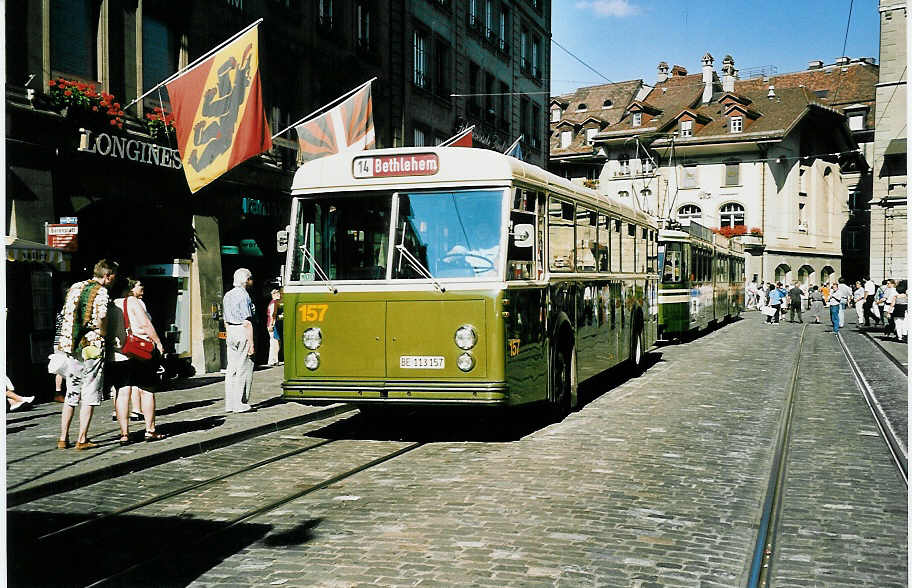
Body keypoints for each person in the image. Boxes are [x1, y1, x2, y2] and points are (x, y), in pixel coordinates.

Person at [56, 259, 117, 450]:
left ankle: (63, 438)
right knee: (89, 391)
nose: (114, 280)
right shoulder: (101, 292)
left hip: (71, 346)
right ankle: (82, 438)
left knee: (71, 392)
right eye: (113, 276)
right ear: (107, 276)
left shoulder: (75, 286)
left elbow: (66, 312)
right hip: (91, 346)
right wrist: (104, 333)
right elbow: (102, 317)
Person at [108, 279, 167, 444]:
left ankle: (124, 433)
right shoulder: (132, 302)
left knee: (122, 393)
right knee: (146, 390)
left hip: (117, 354)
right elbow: (146, 324)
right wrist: (159, 343)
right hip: (138, 352)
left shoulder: (109, 304)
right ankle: (150, 430)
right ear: (127, 288)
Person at [223, 268, 256, 413]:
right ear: (246, 280)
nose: (251, 281)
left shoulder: (227, 295)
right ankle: (239, 402)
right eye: (250, 278)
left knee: (231, 369)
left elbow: (225, 319)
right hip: (242, 330)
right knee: (243, 367)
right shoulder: (244, 296)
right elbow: (247, 322)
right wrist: (251, 343)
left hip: (230, 330)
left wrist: (229, 332)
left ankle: (229, 403)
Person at [266, 288, 282, 366]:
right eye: (276, 293)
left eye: (278, 293)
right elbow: (273, 315)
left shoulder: (274, 303)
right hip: (273, 324)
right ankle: (274, 360)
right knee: (275, 343)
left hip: (272, 324)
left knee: (274, 342)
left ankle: (273, 359)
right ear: (273, 295)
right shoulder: (274, 303)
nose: (278, 294)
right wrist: (271, 325)